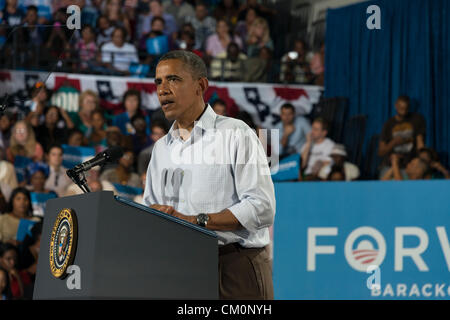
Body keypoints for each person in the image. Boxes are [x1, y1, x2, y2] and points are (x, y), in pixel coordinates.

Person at [144, 50, 275, 299]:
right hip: (181, 271)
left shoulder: (237, 133)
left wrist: (196, 221)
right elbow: (151, 210)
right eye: (158, 82)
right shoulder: (160, 149)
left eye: (173, 79)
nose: (162, 89)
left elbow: (263, 207)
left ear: (200, 85)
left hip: (234, 265)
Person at [378, 95, 426, 176]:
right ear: (395, 106)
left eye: (405, 109)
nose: (403, 112)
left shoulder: (417, 119)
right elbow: (381, 152)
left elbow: (420, 143)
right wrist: (393, 143)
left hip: (409, 166)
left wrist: (421, 160)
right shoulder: (388, 124)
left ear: (409, 107)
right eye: (401, 108)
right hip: (390, 166)